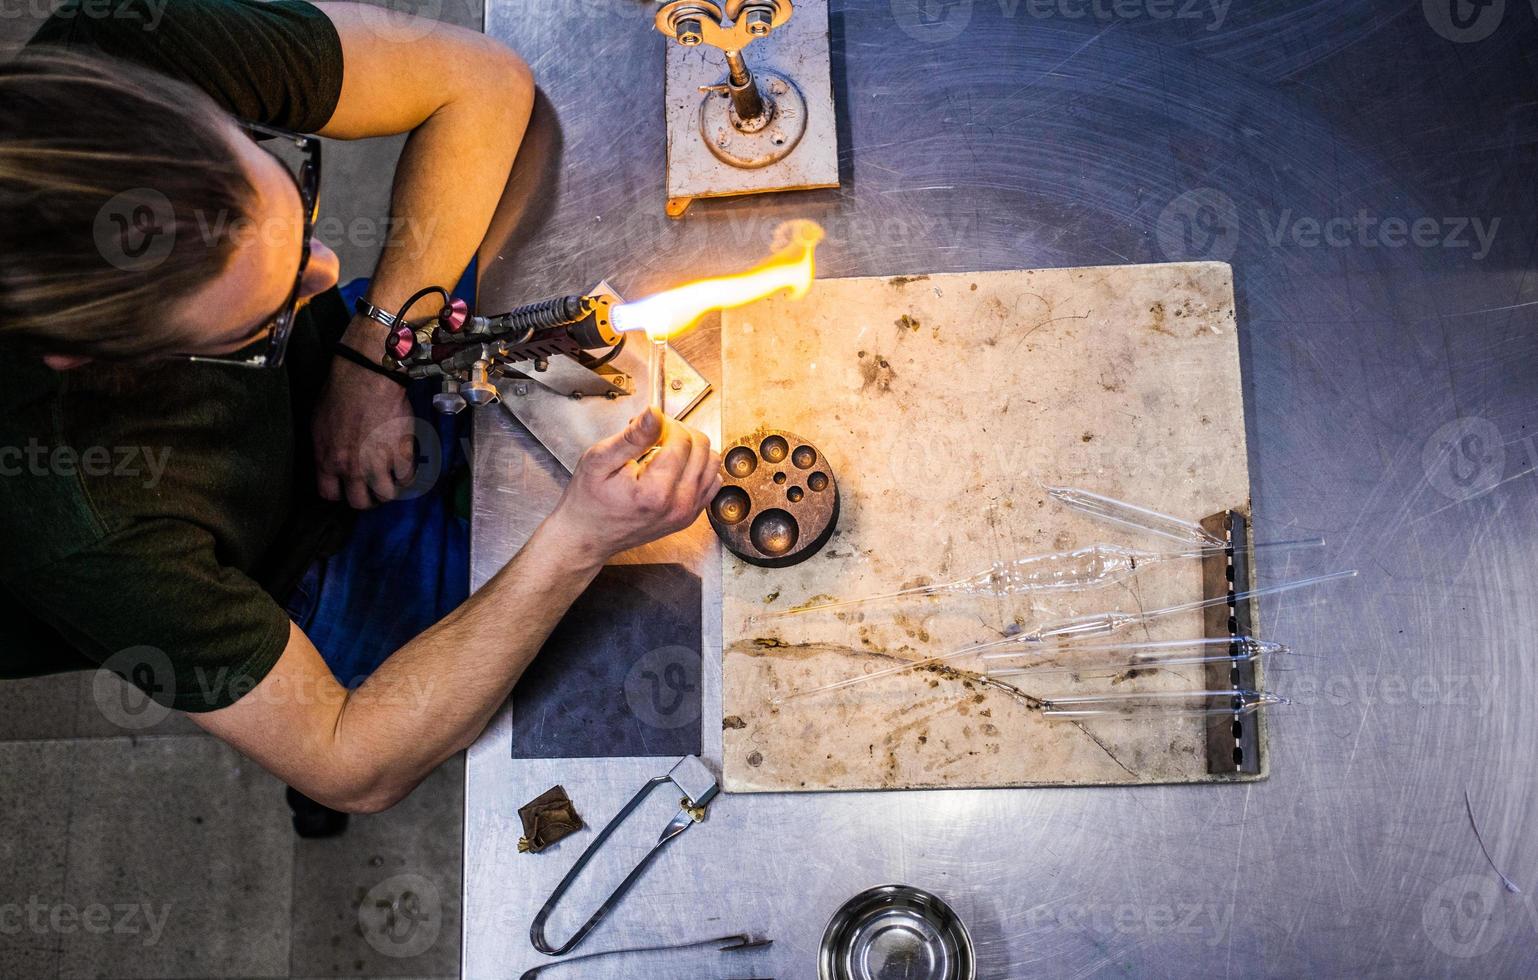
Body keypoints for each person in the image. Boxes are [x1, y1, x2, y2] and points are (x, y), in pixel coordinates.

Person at [0, 0, 720, 831]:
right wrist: (576, 539)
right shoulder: (76, 521)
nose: (328, 268)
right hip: (281, 574)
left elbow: (479, 82)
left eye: (294, 201)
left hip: (348, 378)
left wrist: (372, 353)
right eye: (266, 318)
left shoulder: (119, 55)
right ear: (90, 357)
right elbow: (351, 761)